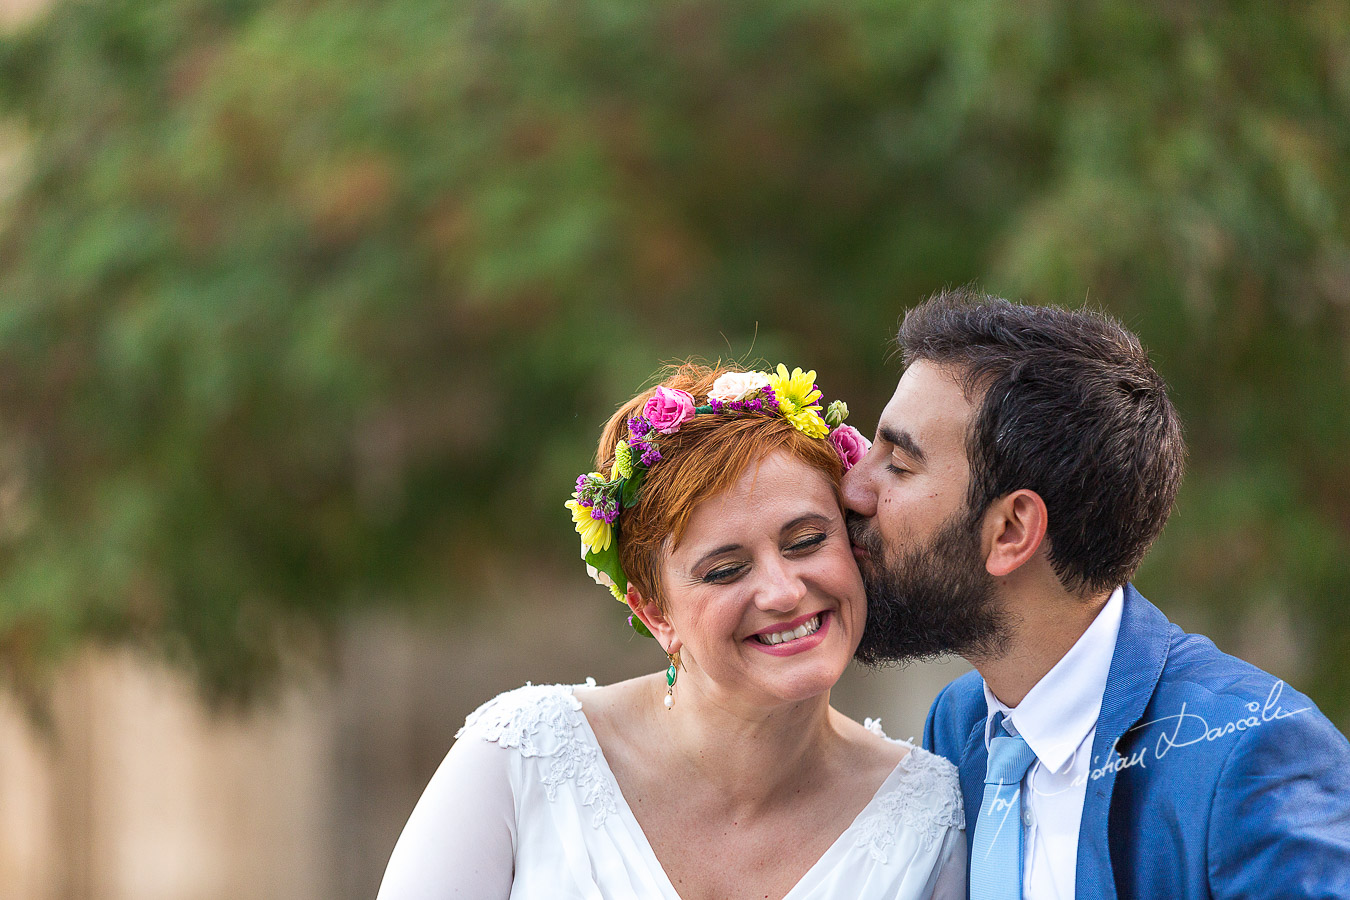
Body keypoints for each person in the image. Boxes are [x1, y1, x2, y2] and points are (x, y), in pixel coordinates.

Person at [377, 362, 967, 900]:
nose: (784, 591)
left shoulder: (929, 817)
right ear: (655, 612)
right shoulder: (519, 760)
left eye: (808, 541)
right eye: (726, 570)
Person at [842, 287, 1350, 900]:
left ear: (1010, 531)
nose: (853, 488)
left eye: (898, 464)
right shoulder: (960, 725)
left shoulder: (1249, 753)